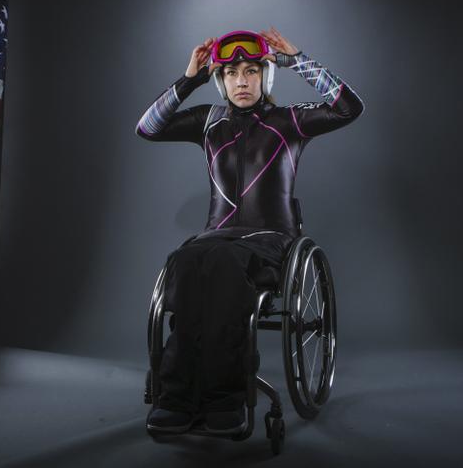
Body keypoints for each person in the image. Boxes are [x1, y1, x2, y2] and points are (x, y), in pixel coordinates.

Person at [136, 27, 365, 435]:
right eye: (231, 73)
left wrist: (297, 61)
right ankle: (177, 397)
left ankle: (224, 399)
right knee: (184, 261)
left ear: (265, 76)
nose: (241, 81)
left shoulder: (289, 120)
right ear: (221, 81)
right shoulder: (209, 121)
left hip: (271, 240)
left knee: (224, 263)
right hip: (215, 236)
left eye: (251, 71)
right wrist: (189, 80)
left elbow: (349, 108)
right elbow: (147, 127)